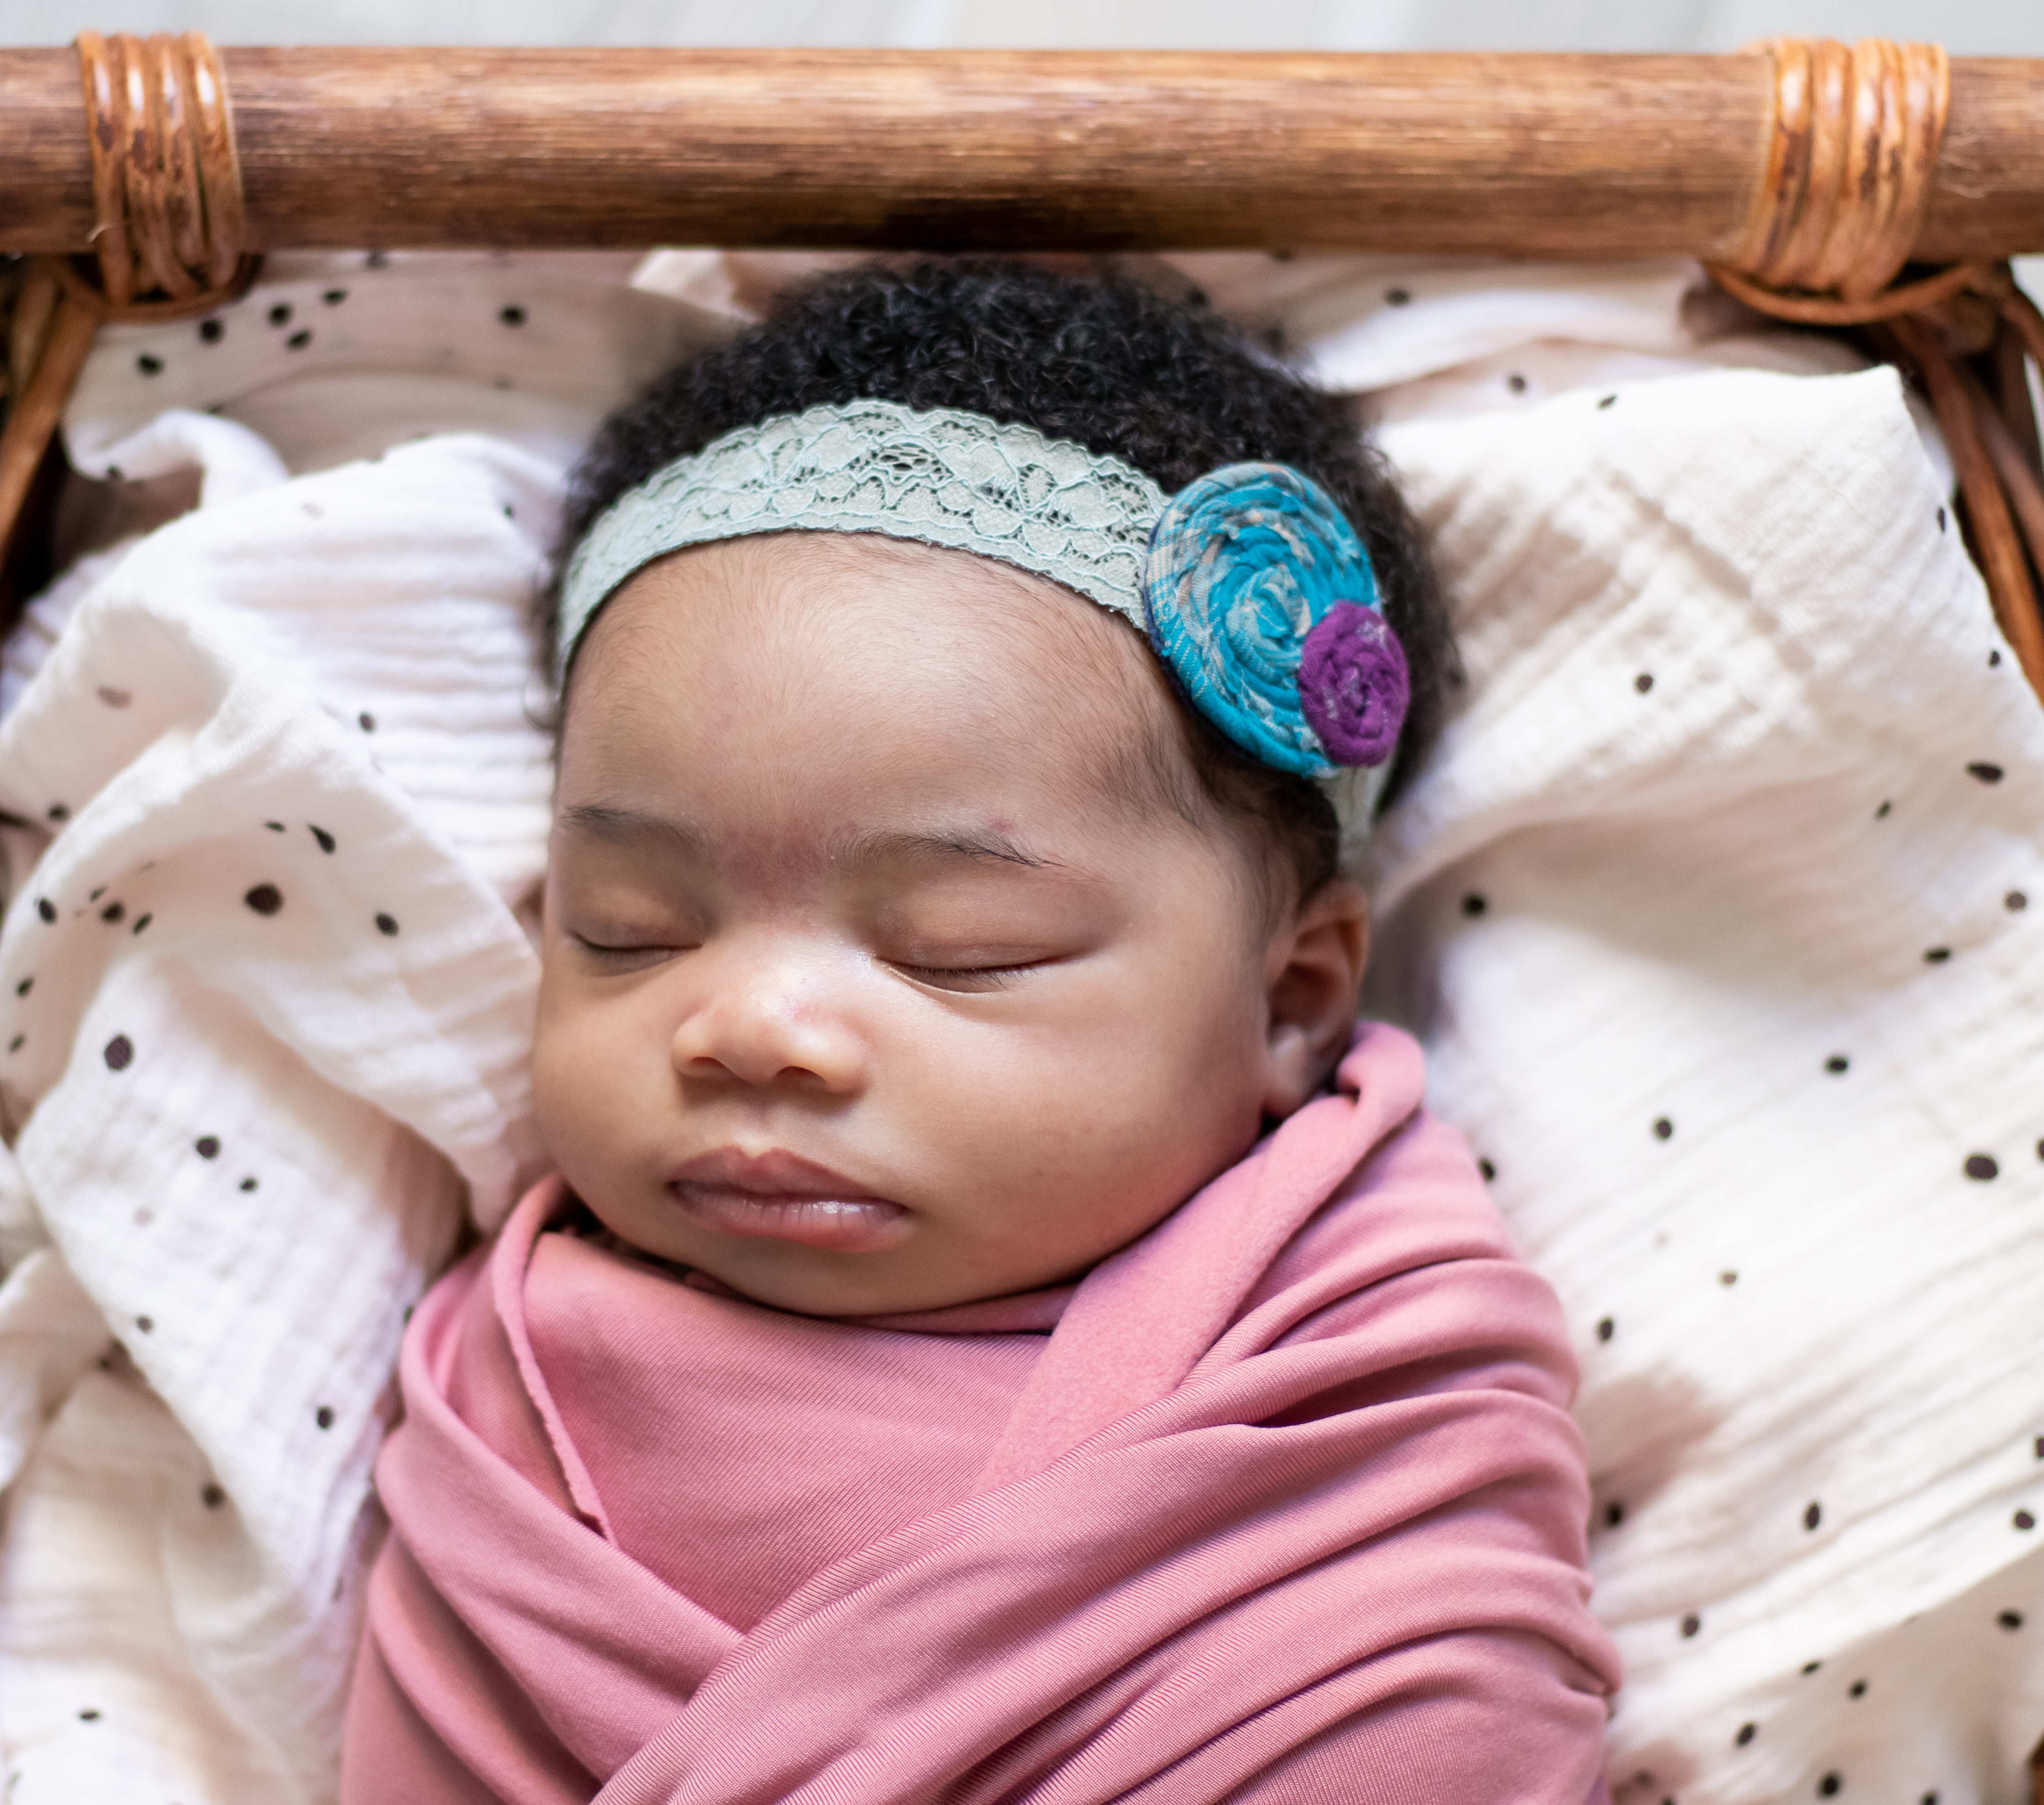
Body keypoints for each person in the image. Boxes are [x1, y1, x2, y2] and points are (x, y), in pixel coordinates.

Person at [343, 259, 1619, 1803]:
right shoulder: (501, 1402)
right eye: (630, 927)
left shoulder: (1359, 1401)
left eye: (959, 950)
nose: (749, 1027)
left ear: (1289, 1000)